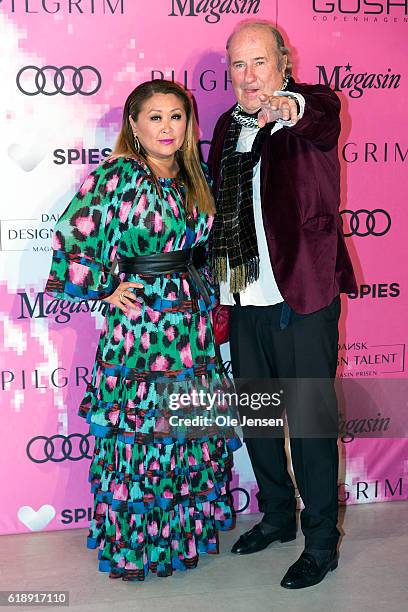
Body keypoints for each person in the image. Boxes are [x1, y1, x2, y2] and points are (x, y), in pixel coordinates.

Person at [45, 79, 239, 581]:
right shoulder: (117, 175)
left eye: (176, 116)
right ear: (134, 124)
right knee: (141, 433)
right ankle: (136, 546)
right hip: (142, 331)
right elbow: (72, 235)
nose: (167, 127)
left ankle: (179, 536)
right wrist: (106, 288)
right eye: (155, 117)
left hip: (189, 327)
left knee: (183, 432)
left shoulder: (194, 177)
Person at [208, 20, 357, 589]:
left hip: (303, 294)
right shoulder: (225, 126)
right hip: (243, 296)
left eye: (259, 62)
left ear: (283, 62)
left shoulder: (311, 104)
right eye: (238, 66)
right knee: (260, 418)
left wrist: (287, 105)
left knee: (312, 423)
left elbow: (316, 118)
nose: (249, 77)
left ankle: (322, 541)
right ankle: (277, 517)